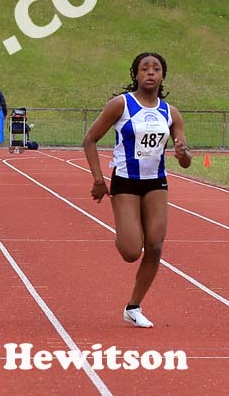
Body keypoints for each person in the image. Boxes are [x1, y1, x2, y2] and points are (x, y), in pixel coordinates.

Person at [83, 52, 191, 328]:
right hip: (126, 182)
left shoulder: (171, 112)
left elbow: (186, 161)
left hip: (156, 182)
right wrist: (98, 179)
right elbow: (90, 139)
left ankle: (133, 307)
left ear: (163, 75)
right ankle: (125, 227)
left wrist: (182, 153)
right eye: (145, 68)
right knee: (132, 251)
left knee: (154, 247)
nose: (151, 73)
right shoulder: (121, 105)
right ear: (136, 74)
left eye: (156, 68)